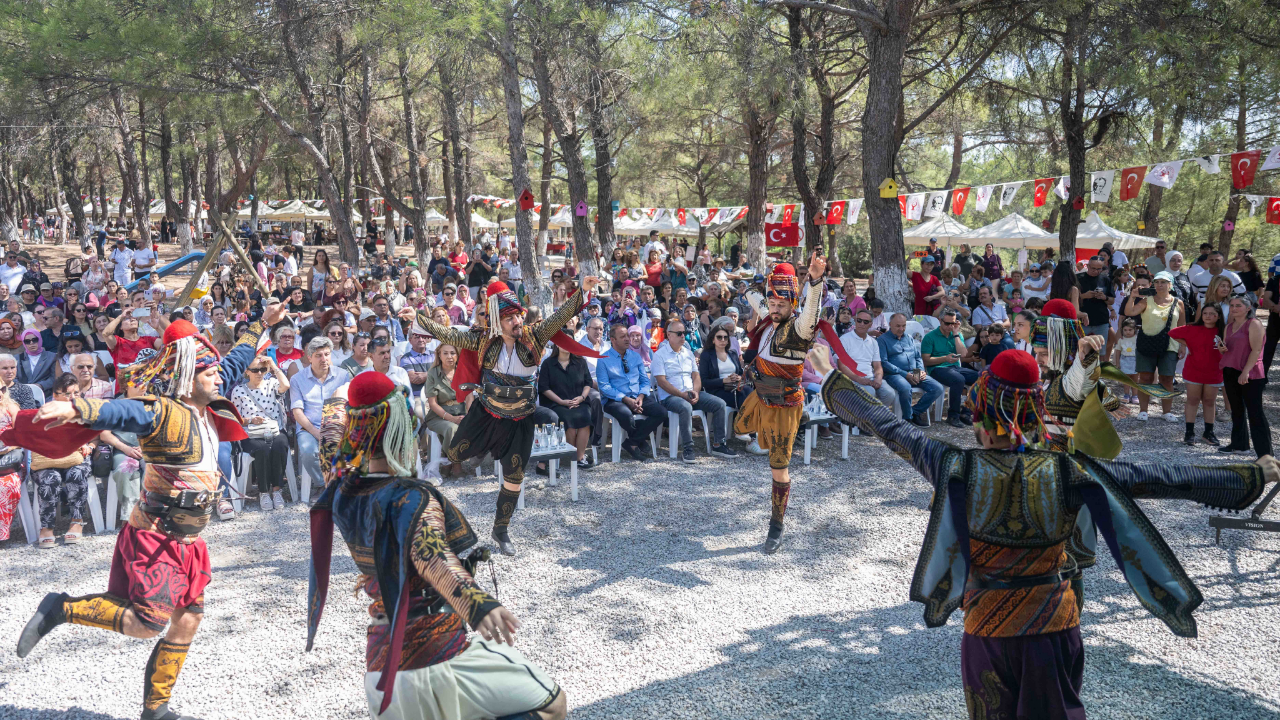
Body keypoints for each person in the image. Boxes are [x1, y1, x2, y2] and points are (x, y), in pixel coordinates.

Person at [814, 345, 1278, 720]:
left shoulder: (954, 465)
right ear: (1035, 410)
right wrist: (1251, 475)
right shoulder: (1069, 471)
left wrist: (835, 381)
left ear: (980, 408)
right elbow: (1158, 476)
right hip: (1054, 625)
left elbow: (889, 426)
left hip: (987, 628)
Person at [13, 305, 280, 720]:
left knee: (188, 618)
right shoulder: (161, 410)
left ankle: (156, 709)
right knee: (147, 622)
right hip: (157, 535)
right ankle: (59, 608)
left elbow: (237, 359)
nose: (219, 377)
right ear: (187, 378)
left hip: (189, 540)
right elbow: (123, 411)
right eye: (209, 373)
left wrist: (265, 322)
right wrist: (79, 410)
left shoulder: (209, 391)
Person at [307, 372, 566, 720]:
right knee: (552, 702)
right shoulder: (412, 498)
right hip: (437, 653)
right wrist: (476, 603)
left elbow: (329, 441)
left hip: (381, 666)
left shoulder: (339, 488)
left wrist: (339, 403)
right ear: (400, 428)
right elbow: (431, 553)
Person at [409, 276, 598, 556]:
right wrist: (420, 318)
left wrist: (582, 291)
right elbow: (448, 335)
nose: (517, 322)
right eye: (509, 318)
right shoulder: (483, 340)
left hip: (521, 419)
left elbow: (560, 316)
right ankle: (471, 459)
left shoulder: (535, 335)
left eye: (518, 316)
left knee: (514, 477)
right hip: (486, 414)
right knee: (457, 453)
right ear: (497, 321)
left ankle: (501, 529)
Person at [733, 254, 832, 554]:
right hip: (759, 396)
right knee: (738, 428)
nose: (774, 310)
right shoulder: (769, 313)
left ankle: (776, 525)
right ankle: (758, 440)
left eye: (781, 305)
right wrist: (753, 281)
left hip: (784, 406)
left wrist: (814, 282)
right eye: (772, 304)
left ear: (792, 305)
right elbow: (754, 298)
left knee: (778, 467)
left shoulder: (799, 329)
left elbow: (811, 313)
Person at [653, 319, 735, 462]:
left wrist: (696, 391)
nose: (683, 336)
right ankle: (688, 448)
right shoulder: (660, 355)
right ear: (669, 335)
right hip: (670, 397)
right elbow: (661, 381)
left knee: (719, 403)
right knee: (685, 407)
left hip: (691, 393)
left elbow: (696, 375)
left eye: (684, 333)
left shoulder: (688, 352)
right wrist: (682, 395)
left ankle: (718, 444)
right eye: (679, 333)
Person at [597, 322, 667, 461]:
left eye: (627, 336)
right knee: (626, 414)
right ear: (613, 340)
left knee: (661, 413)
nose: (627, 339)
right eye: (623, 337)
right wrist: (625, 399)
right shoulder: (603, 359)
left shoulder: (635, 357)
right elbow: (604, 387)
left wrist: (641, 396)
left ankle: (631, 442)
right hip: (614, 400)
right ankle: (639, 440)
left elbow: (644, 380)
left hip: (637, 396)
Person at [231, 354, 292, 511]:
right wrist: (250, 420)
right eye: (255, 370)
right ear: (247, 371)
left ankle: (277, 490)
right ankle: (264, 491)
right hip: (251, 432)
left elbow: (285, 385)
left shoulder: (271, 383)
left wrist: (272, 365)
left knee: (280, 445)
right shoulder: (238, 391)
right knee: (262, 449)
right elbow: (235, 419)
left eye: (262, 370)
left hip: (274, 428)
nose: (259, 373)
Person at [291, 337, 353, 489]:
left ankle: (341, 484)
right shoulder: (297, 379)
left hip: (337, 425)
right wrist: (317, 433)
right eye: (319, 355)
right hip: (309, 427)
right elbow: (297, 412)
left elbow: (348, 406)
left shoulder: (342, 375)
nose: (324, 359)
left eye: (327, 354)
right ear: (309, 357)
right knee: (308, 451)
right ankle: (322, 484)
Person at [1124, 271, 1185, 423]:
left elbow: (1182, 326)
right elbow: (1129, 312)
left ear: (1170, 285)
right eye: (1157, 282)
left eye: (1163, 282)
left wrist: (1183, 345)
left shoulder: (1178, 303)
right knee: (1145, 377)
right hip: (1147, 344)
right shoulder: (1146, 301)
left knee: (1167, 378)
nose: (1160, 285)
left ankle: (1167, 412)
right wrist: (1132, 296)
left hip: (1169, 345)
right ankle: (1143, 411)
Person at [1218, 296, 1271, 457]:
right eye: (1232, 305)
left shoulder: (1254, 324)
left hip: (1251, 372)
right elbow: (1230, 347)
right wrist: (1222, 349)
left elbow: (1256, 350)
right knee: (1237, 410)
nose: (1234, 308)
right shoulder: (1229, 326)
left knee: (1255, 413)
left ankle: (1266, 454)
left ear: (1248, 308)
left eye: (1238, 306)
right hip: (1230, 370)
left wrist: (1246, 371)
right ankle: (1240, 445)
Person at [1169, 303, 1224, 446]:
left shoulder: (1223, 331)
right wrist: (1187, 344)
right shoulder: (1192, 328)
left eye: (1212, 314)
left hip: (1214, 372)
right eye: (1205, 313)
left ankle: (1208, 432)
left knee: (1209, 402)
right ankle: (1189, 432)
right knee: (1192, 400)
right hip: (1194, 371)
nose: (1208, 316)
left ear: (1218, 316)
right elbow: (1172, 333)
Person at [878, 313, 944, 426]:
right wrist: (905, 374)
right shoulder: (882, 340)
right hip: (895, 374)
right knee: (905, 387)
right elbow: (884, 363)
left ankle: (914, 412)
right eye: (898, 326)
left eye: (903, 326)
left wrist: (921, 370)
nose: (901, 329)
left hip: (914, 372)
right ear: (890, 325)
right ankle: (907, 419)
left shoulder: (908, 338)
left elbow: (917, 356)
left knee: (937, 388)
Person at [539, 343, 597, 469]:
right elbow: (544, 388)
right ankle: (573, 456)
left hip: (579, 400)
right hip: (556, 403)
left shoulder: (580, 362)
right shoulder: (548, 363)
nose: (566, 344)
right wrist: (561, 401)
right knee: (567, 419)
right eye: (563, 341)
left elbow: (588, 383)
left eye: (569, 341)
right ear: (557, 345)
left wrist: (581, 398)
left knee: (585, 417)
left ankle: (579, 457)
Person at [921, 308, 978, 427]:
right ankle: (953, 416)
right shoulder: (930, 337)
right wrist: (945, 358)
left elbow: (963, 354)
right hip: (937, 368)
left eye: (953, 323)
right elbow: (926, 360)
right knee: (959, 380)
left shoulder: (956, 334)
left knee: (980, 378)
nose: (950, 326)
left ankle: (966, 412)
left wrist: (956, 333)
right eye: (947, 323)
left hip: (954, 367)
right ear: (940, 321)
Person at [836, 308, 899, 412]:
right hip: (851, 378)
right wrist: (858, 379)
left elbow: (878, 366)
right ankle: (866, 423)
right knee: (869, 392)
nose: (861, 324)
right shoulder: (845, 339)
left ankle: (873, 419)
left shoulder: (873, 342)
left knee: (889, 394)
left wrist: (878, 378)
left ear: (871, 324)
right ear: (855, 320)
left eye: (865, 322)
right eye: (859, 320)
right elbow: (841, 366)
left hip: (870, 377)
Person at [422, 343, 465, 477]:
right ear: (439, 356)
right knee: (451, 428)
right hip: (438, 416)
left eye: (452, 353)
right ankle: (456, 462)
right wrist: (451, 418)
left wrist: (469, 416)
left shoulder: (463, 371)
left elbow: (469, 397)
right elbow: (433, 404)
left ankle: (446, 459)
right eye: (445, 353)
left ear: (457, 355)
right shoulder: (433, 373)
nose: (449, 357)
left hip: (461, 412)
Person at [700, 323, 751, 412]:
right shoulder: (706, 355)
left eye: (725, 337)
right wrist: (724, 380)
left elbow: (740, 373)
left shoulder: (733, 353)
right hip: (717, 390)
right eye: (719, 337)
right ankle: (744, 423)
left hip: (735, 386)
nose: (723, 340)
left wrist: (739, 377)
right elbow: (704, 381)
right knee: (742, 395)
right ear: (713, 340)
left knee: (751, 393)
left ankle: (748, 422)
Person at [17, 329, 57, 393]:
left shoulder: (52, 357)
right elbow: (13, 378)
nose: (31, 343)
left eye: (34, 340)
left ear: (40, 339)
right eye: (27, 341)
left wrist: (40, 385)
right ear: (24, 343)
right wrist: (22, 388)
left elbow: (54, 377)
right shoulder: (17, 358)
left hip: (46, 394)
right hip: (22, 394)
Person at [1112, 318, 1140, 403]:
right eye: (1125, 330)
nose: (1128, 332)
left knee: (1135, 379)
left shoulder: (1137, 339)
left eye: (1130, 330)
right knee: (1126, 379)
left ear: (1134, 329)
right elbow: (1117, 351)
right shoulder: (1121, 340)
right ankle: (1126, 395)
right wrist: (1117, 364)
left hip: (1135, 361)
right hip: (1124, 360)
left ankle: (1135, 395)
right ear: (1122, 330)